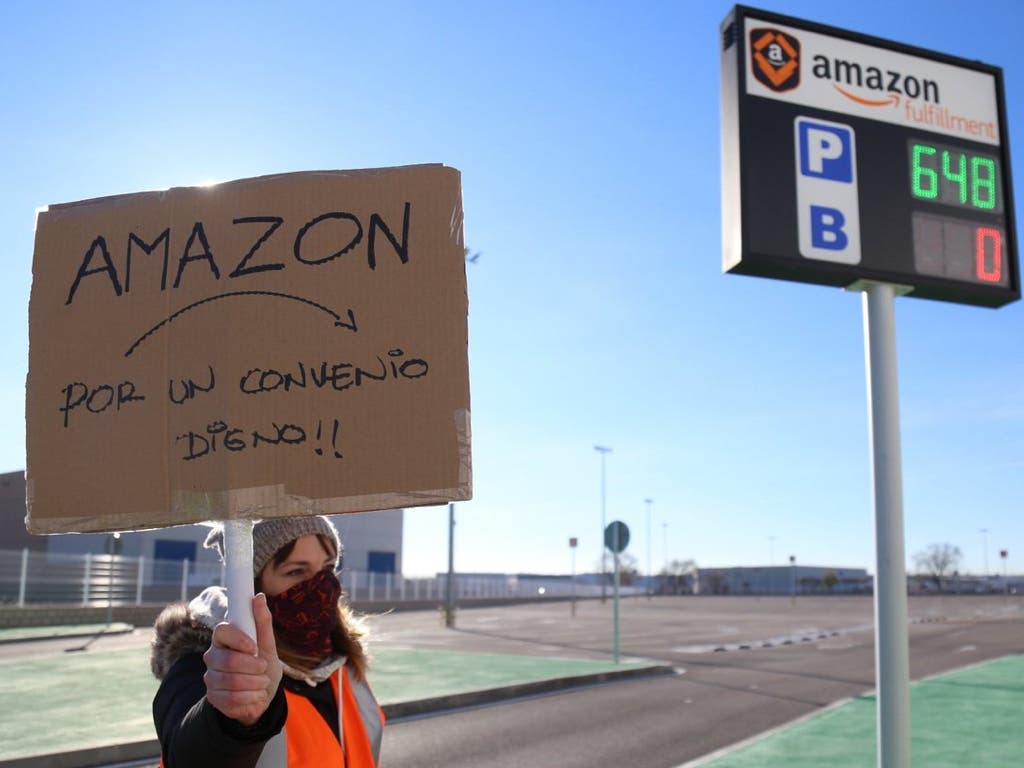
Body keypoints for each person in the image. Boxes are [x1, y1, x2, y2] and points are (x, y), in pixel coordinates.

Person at [150, 516, 384, 767]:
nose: (322, 586)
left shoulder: (341, 662)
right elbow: (190, 757)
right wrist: (233, 723)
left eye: (327, 568)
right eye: (296, 571)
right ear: (253, 585)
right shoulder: (216, 667)